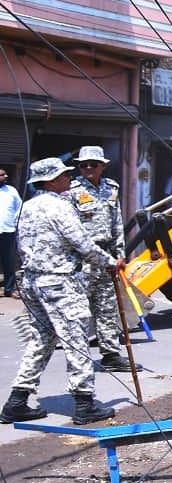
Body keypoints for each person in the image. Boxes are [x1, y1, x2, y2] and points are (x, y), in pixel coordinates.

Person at [0, 157, 121, 425]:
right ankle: (84, 403)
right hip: (59, 282)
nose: (70, 178)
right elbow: (83, 244)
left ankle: (16, 402)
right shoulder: (59, 207)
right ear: (52, 181)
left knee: (41, 340)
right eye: (65, 175)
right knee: (76, 338)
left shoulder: (28, 207)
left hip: (32, 282)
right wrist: (111, 262)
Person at [68, 146, 130, 373]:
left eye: (93, 164)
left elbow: (116, 222)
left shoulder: (110, 188)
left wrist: (120, 253)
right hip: (82, 259)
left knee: (107, 308)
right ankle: (79, 357)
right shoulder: (71, 191)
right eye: (83, 165)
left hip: (106, 258)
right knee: (79, 310)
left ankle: (111, 355)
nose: (87, 169)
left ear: (103, 166)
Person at [0, 167, 21, 297]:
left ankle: (9, 289)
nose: (5, 177)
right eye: (2, 175)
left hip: (8, 231)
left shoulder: (11, 191)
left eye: (5, 175)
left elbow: (19, 208)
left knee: (9, 261)